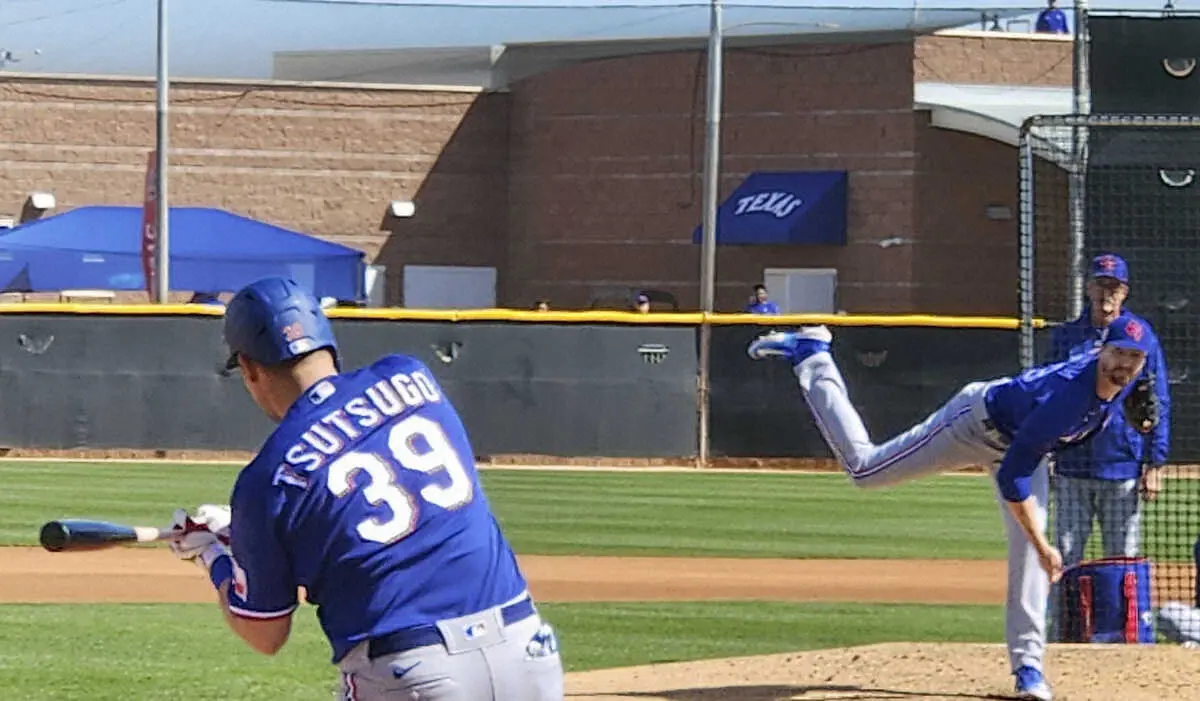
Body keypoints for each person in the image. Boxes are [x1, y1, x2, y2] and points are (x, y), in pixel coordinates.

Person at [167, 276, 564, 701]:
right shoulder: (412, 376)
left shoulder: (267, 478)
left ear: (248, 368)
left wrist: (213, 554)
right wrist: (245, 536)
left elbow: (265, 633)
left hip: (412, 671)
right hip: (527, 649)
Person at [748, 313, 1156, 701]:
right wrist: (1043, 543)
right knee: (866, 471)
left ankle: (1028, 668)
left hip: (1023, 443)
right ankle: (813, 355)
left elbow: (1130, 391)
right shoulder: (1065, 399)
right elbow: (1012, 478)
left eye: (1134, 356)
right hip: (973, 426)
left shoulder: (1125, 378)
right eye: (1118, 352)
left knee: (1032, 557)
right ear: (1101, 349)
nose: (1124, 363)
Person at [1049, 254, 1170, 570]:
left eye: (1114, 287)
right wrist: (1044, 450)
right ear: (1088, 288)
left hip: (1121, 466)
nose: (1107, 293)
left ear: (1124, 292)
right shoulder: (1065, 337)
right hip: (1072, 465)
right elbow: (1046, 396)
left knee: (1122, 560)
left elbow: (1158, 400)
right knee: (1064, 559)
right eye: (1100, 284)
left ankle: (1119, 608)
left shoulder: (1142, 337)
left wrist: (1155, 463)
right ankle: (1064, 607)